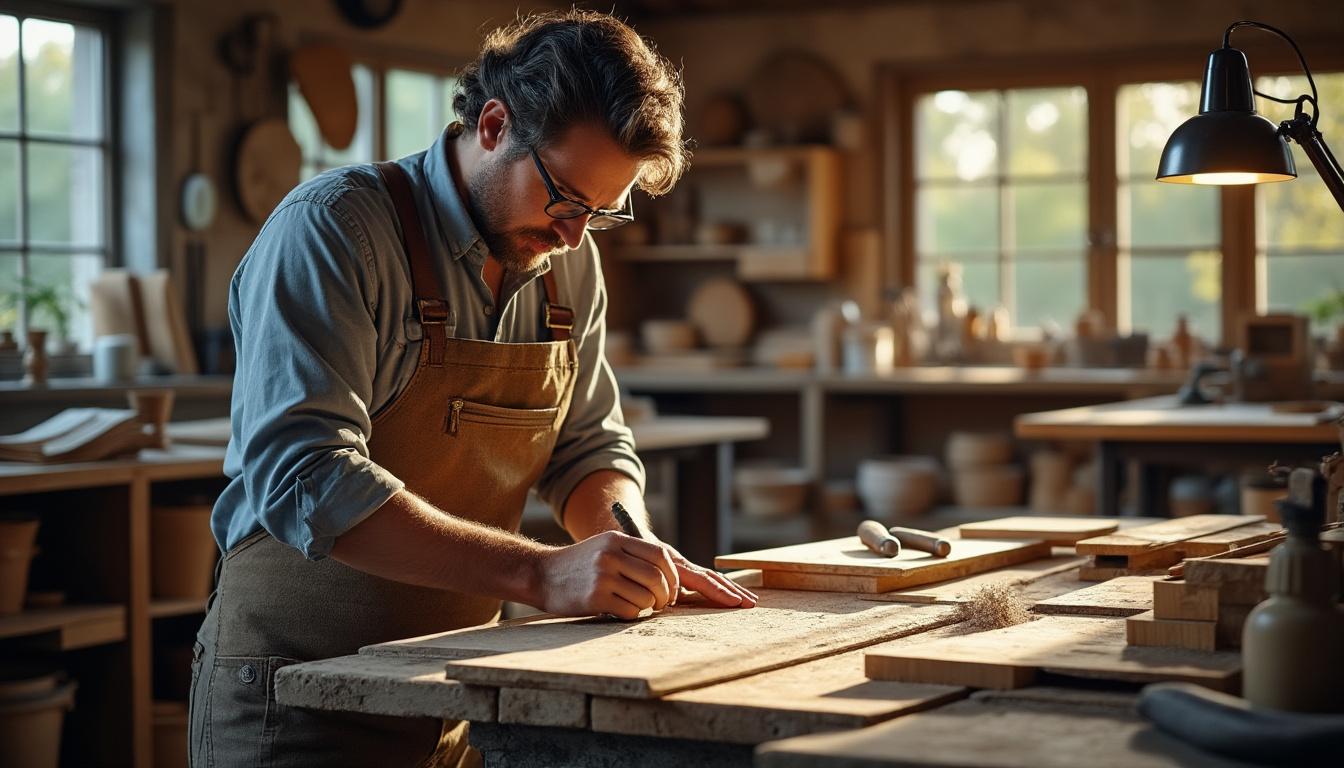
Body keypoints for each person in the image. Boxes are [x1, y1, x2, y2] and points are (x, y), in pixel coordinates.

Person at [189, 10, 757, 767]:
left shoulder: (566, 259)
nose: (574, 236)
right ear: (494, 125)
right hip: (294, 695)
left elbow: (588, 445)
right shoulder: (335, 231)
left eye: (600, 211)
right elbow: (307, 477)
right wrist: (540, 572)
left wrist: (624, 540)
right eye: (564, 199)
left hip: (448, 690)